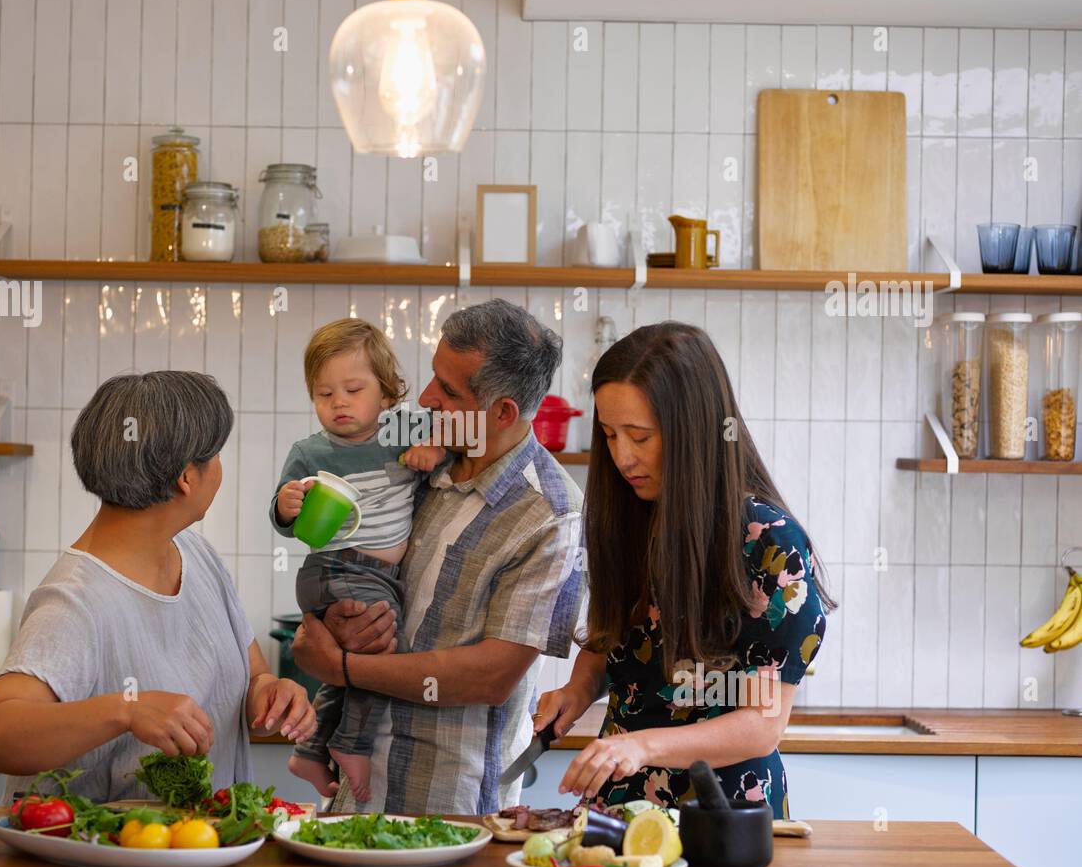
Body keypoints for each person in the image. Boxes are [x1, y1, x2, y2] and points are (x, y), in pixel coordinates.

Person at [291, 299, 585, 815]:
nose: (426, 399)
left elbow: (490, 677)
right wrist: (341, 617)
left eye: (448, 391)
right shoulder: (417, 463)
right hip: (354, 796)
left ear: (502, 412)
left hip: (451, 809)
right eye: (433, 378)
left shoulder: (550, 516)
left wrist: (343, 667)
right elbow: (356, 560)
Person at [0, 371, 315, 804]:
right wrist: (126, 710)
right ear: (187, 477)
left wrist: (269, 692)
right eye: (216, 455)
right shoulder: (75, 602)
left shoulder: (198, 556)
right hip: (98, 866)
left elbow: (252, 675)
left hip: (201, 855)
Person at [533, 322, 833, 817]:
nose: (622, 457)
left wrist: (641, 747)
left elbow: (763, 723)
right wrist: (577, 690)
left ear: (694, 430)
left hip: (722, 816)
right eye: (609, 435)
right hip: (617, 811)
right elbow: (615, 639)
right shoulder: (628, 515)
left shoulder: (768, 542)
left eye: (640, 436)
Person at [272, 318, 444, 803]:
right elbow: (285, 521)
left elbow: (461, 435)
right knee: (380, 653)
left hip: (379, 577)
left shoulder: (403, 428)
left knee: (353, 663)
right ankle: (350, 746)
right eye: (324, 394)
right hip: (336, 569)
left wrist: (434, 447)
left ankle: (310, 751)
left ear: (388, 394)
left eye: (352, 389)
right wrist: (285, 506)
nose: (338, 403)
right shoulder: (309, 453)